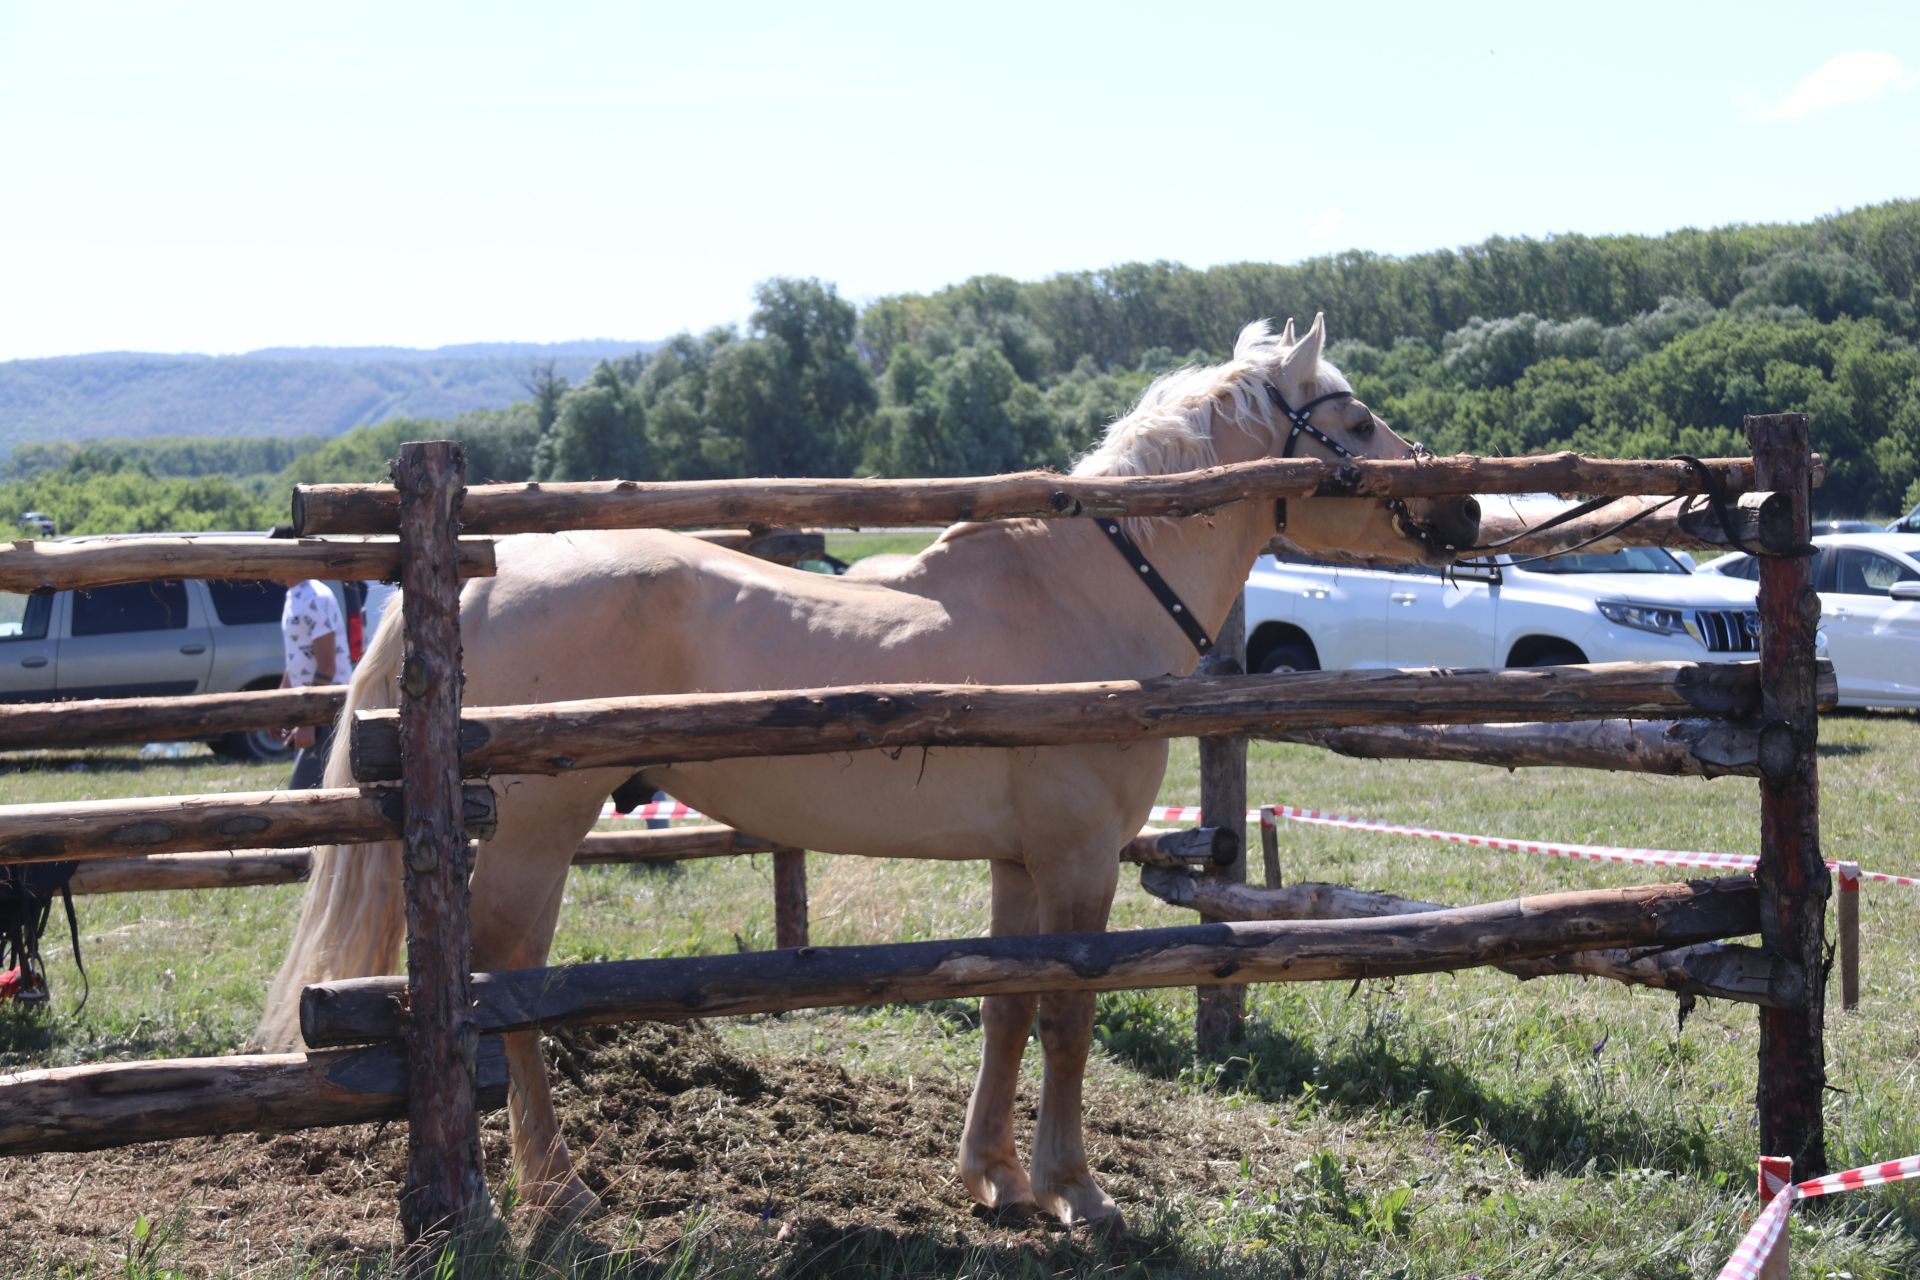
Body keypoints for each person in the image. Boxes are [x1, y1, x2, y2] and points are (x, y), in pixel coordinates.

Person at [280, 579, 353, 789]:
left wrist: (308, 721)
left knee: (302, 794)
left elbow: (327, 666)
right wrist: (281, 706)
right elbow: (298, 658)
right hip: (313, 712)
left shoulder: (315, 598)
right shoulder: (293, 595)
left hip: (328, 711)